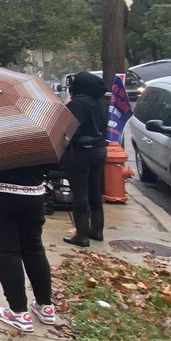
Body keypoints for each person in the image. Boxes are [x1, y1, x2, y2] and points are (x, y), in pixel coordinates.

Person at [0, 161, 57, 332]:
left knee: (6, 251)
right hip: (33, 193)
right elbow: (52, 163)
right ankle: (45, 305)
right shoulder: (38, 134)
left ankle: (18, 311)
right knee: (34, 248)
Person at [61, 70, 109, 247]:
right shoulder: (100, 103)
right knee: (94, 189)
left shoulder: (79, 103)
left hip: (80, 153)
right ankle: (97, 229)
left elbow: (68, 127)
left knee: (80, 192)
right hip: (99, 151)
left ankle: (81, 235)